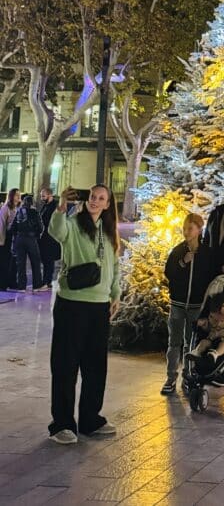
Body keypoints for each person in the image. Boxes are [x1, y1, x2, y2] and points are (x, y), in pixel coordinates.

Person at [47, 185, 121, 445]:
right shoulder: (73, 223)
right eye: (92, 196)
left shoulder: (109, 232)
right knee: (66, 364)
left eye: (101, 198)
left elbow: (115, 265)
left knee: (95, 365)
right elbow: (56, 232)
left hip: (99, 305)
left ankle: (91, 419)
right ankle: (62, 423)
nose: (95, 201)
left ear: (108, 204)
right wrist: (60, 206)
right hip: (72, 302)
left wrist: (115, 294)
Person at [160, 212, 213, 395]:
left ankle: (188, 375)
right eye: (184, 228)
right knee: (174, 342)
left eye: (190, 228)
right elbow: (169, 273)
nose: (186, 232)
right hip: (178, 303)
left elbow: (210, 277)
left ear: (199, 230)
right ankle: (170, 377)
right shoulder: (178, 251)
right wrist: (183, 262)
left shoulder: (206, 253)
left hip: (196, 305)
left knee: (190, 343)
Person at [190, 289, 224, 370]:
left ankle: (214, 354)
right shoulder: (213, 316)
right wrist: (202, 324)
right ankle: (197, 352)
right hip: (212, 338)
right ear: (218, 307)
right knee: (204, 342)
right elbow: (208, 326)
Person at [10, 193, 44, 292]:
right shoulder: (34, 212)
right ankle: (37, 285)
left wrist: (16, 237)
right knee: (35, 262)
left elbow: (13, 228)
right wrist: (36, 235)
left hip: (20, 239)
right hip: (31, 239)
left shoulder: (18, 212)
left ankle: (21, 286)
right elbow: (40, 227)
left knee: (21, 263)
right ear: (32, 202)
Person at [39, 187, 61, 290]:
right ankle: (46, 281)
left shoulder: (54, 207)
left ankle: (47, 281)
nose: (41, 198)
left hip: (51, 237)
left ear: (50, 195)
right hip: (45, 237)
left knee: (49, 260)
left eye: (43, 196)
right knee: (46, 260)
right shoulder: (45, 206)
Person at [0, 188, 20, 291]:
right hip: (6, 239)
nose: (18, 196)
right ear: (11, 196)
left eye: (19, 194)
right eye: (16, 194)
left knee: (13, 263)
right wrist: (1, 241)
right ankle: (2, 283)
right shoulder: (5, 208)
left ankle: (11, 282)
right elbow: (2, 225)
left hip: (15, 238)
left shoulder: (17, 208)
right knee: (4, 262)